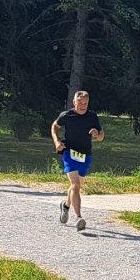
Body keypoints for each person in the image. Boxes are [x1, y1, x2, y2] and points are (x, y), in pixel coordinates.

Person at [51, 90, 104, 232]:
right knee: (76, 185)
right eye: (80, 103)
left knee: (75, 187)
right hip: (69, 152)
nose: (83, 106)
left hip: (85, 155)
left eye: (85, 103)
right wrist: (56, 141)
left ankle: (65, 206)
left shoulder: (92, 116)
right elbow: (54, 126)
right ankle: (79, 217)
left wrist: (97, 134)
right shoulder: (67, 115)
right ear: (74, 102)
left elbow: (101, 136)